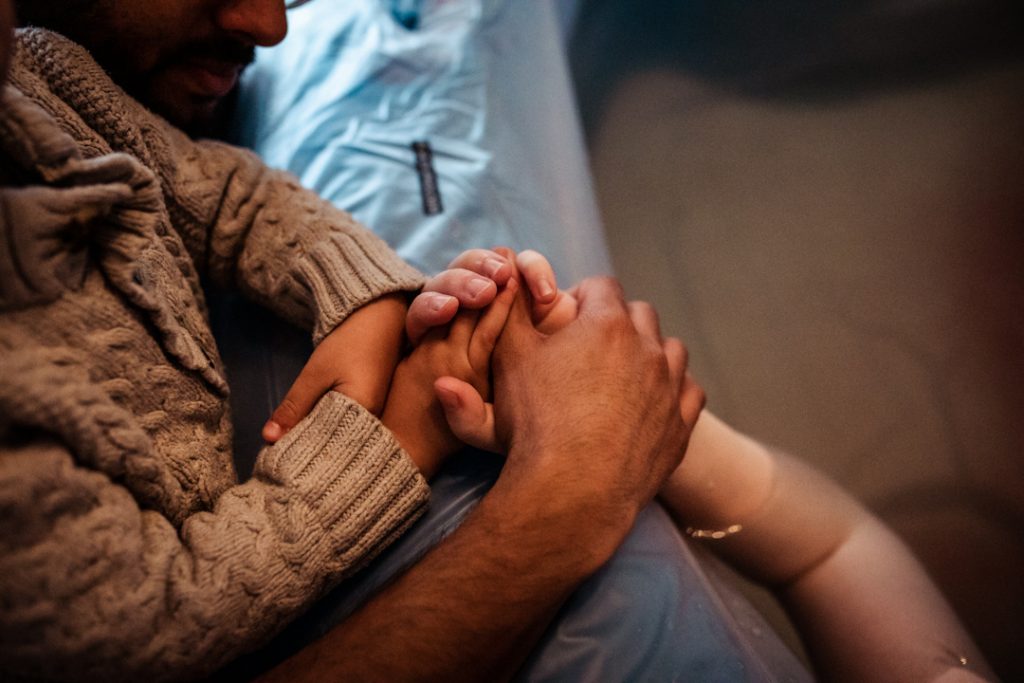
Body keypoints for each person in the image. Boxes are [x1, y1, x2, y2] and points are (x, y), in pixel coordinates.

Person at [0, 2, 994, 682]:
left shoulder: (39, 86)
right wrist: (610, 451)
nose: (269, 20)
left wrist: (647, 441)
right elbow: (838, 548)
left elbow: (838, 549)